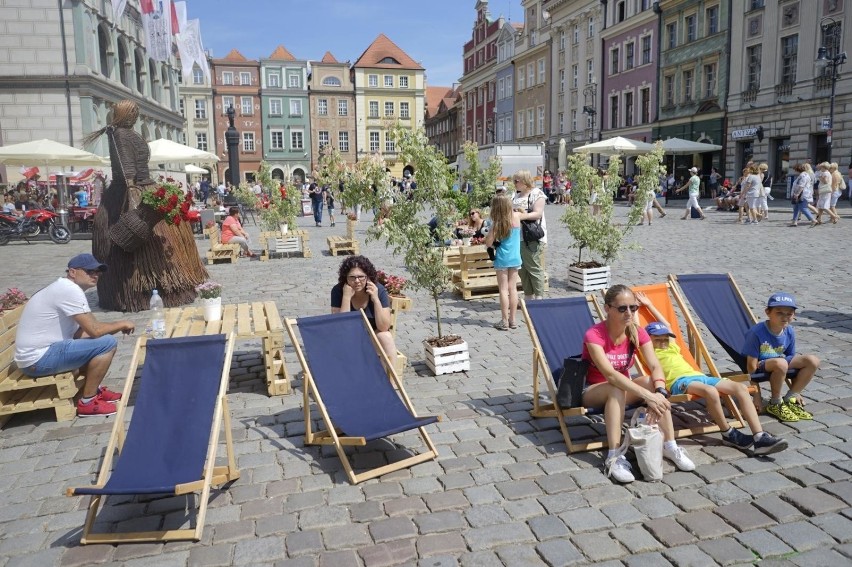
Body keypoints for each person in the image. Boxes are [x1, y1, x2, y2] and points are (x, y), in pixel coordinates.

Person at [86, 99, 208, 312]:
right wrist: (132, 194)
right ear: (125, 114)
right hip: (132, 190)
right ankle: (141, 292)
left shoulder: (126, 133)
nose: (136, 115)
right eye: (133, 112)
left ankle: (171, 286)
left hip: (143, 186)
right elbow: (126, 169)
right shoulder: (121, 135)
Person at [636, 292, 788, 456]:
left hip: (699, 377)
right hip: (678, 382)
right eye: (658, 338)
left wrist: (649, 304)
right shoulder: (647, 350)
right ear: (648, 339)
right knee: (710, 391)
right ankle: (728, 433)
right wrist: (636, 308)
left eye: (665, 337)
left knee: (740, 388)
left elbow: (668, 324)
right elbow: (636, 329)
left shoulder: (671, 346)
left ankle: (760, 437)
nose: (663, 340)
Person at [582, 285, 695, 483]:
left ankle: (669, 445)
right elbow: (611, 375)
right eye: (622, 308)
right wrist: (648, 396)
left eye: (633, 308)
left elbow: (655, 365)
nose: (629, 313)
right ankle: (614, 456)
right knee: (617, 387)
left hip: (623, 388)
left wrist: (659, 391)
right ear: (607, 308)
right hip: (594, 389)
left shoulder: (637, 332)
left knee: (653, 382)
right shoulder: (595, 335)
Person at [14, 254, 135, 417]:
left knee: (98, 342)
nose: (95, 275)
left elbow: (80, 333)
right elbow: (95, 330)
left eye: (98, 272)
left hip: (38, 355)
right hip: (38, 360)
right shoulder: (69, 290)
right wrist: (121, 324)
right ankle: (88, 402)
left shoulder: (65, 288)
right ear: (72, 272)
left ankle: (95, 389)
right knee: (106, 343)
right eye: (90, 271)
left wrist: (108, 330)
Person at [742, 292, 820, 423]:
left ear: (793, 315)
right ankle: (775, 403)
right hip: (761, 365)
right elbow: (751, 366)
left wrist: (796, 390)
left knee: (813, 360)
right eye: (779, 313)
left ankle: (791, 397)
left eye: (789, 313)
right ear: (768, 312)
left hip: (780, 362)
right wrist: (757, 396)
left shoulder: (789, 331)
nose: (785, 317)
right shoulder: (756, 333)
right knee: (781, 363)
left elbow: (790, 355)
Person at [331, 255, 397, 360]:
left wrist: (375, 299)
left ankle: (388, 376)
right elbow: (342, 328)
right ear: (345, 278)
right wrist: (346, 297)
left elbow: (384, 327)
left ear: (368, 277)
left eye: (361, 277)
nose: (357, 281)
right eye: (352, 277)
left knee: (386, 337)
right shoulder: (338, 291)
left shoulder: (378, 290)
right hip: (347, 339)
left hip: (372, 337)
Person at [484, 194, 521, 330]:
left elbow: (488, 242)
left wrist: (492, 241)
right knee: (513, 289)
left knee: (503, 289)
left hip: (502, 258)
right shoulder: (516, 217)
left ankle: (504, 321)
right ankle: (513, 320)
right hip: (516, 257)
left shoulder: (498, 223)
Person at [511, 170, 547, 300]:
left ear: (525, 181)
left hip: (532, 237)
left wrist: (520, 216)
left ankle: (539, 298)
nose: (514, 183)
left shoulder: (537, 194)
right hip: (517, 236)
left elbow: (537, 213)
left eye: (517, 181)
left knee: (534, 267)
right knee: (522, 269)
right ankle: (528, 296)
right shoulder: (515, 195)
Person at [789, 163, 816, 227]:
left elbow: (801, 186)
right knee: (796, 208)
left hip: (802, 195)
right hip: (801, 194)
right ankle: (794, 221)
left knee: (803, 208)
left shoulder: (803, 176)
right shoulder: (802, 175)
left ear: (797, 169)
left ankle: (813, 220)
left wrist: (797, 194)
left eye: (795, 170)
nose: (794, 171)